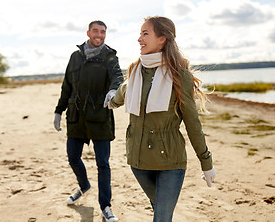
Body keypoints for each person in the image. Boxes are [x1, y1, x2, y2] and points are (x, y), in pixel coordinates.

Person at [108, 16, 216, 222]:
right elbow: (121, 94)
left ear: (162, 39)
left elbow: (193, 123)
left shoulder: (179, 77)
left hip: (170, 161)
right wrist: (111, 100)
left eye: (145, 34)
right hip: (138, 159)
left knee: (162, 217)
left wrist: (206, 161)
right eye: (140, 34)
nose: (139, 39)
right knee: (159, 210)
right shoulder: (135, 72)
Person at [53, 20, 123, 222]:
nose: (99, 35)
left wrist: (113, 90)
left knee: (103, 164)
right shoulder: (75, 57)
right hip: (76, 117)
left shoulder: (109, 56)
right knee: (73, 157)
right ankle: (83, 186)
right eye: (96, 31)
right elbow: (67, 86)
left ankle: (106, 206)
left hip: (100, 117)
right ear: (88, 32)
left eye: (103, 32)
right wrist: (59, 110)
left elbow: (118, 76)